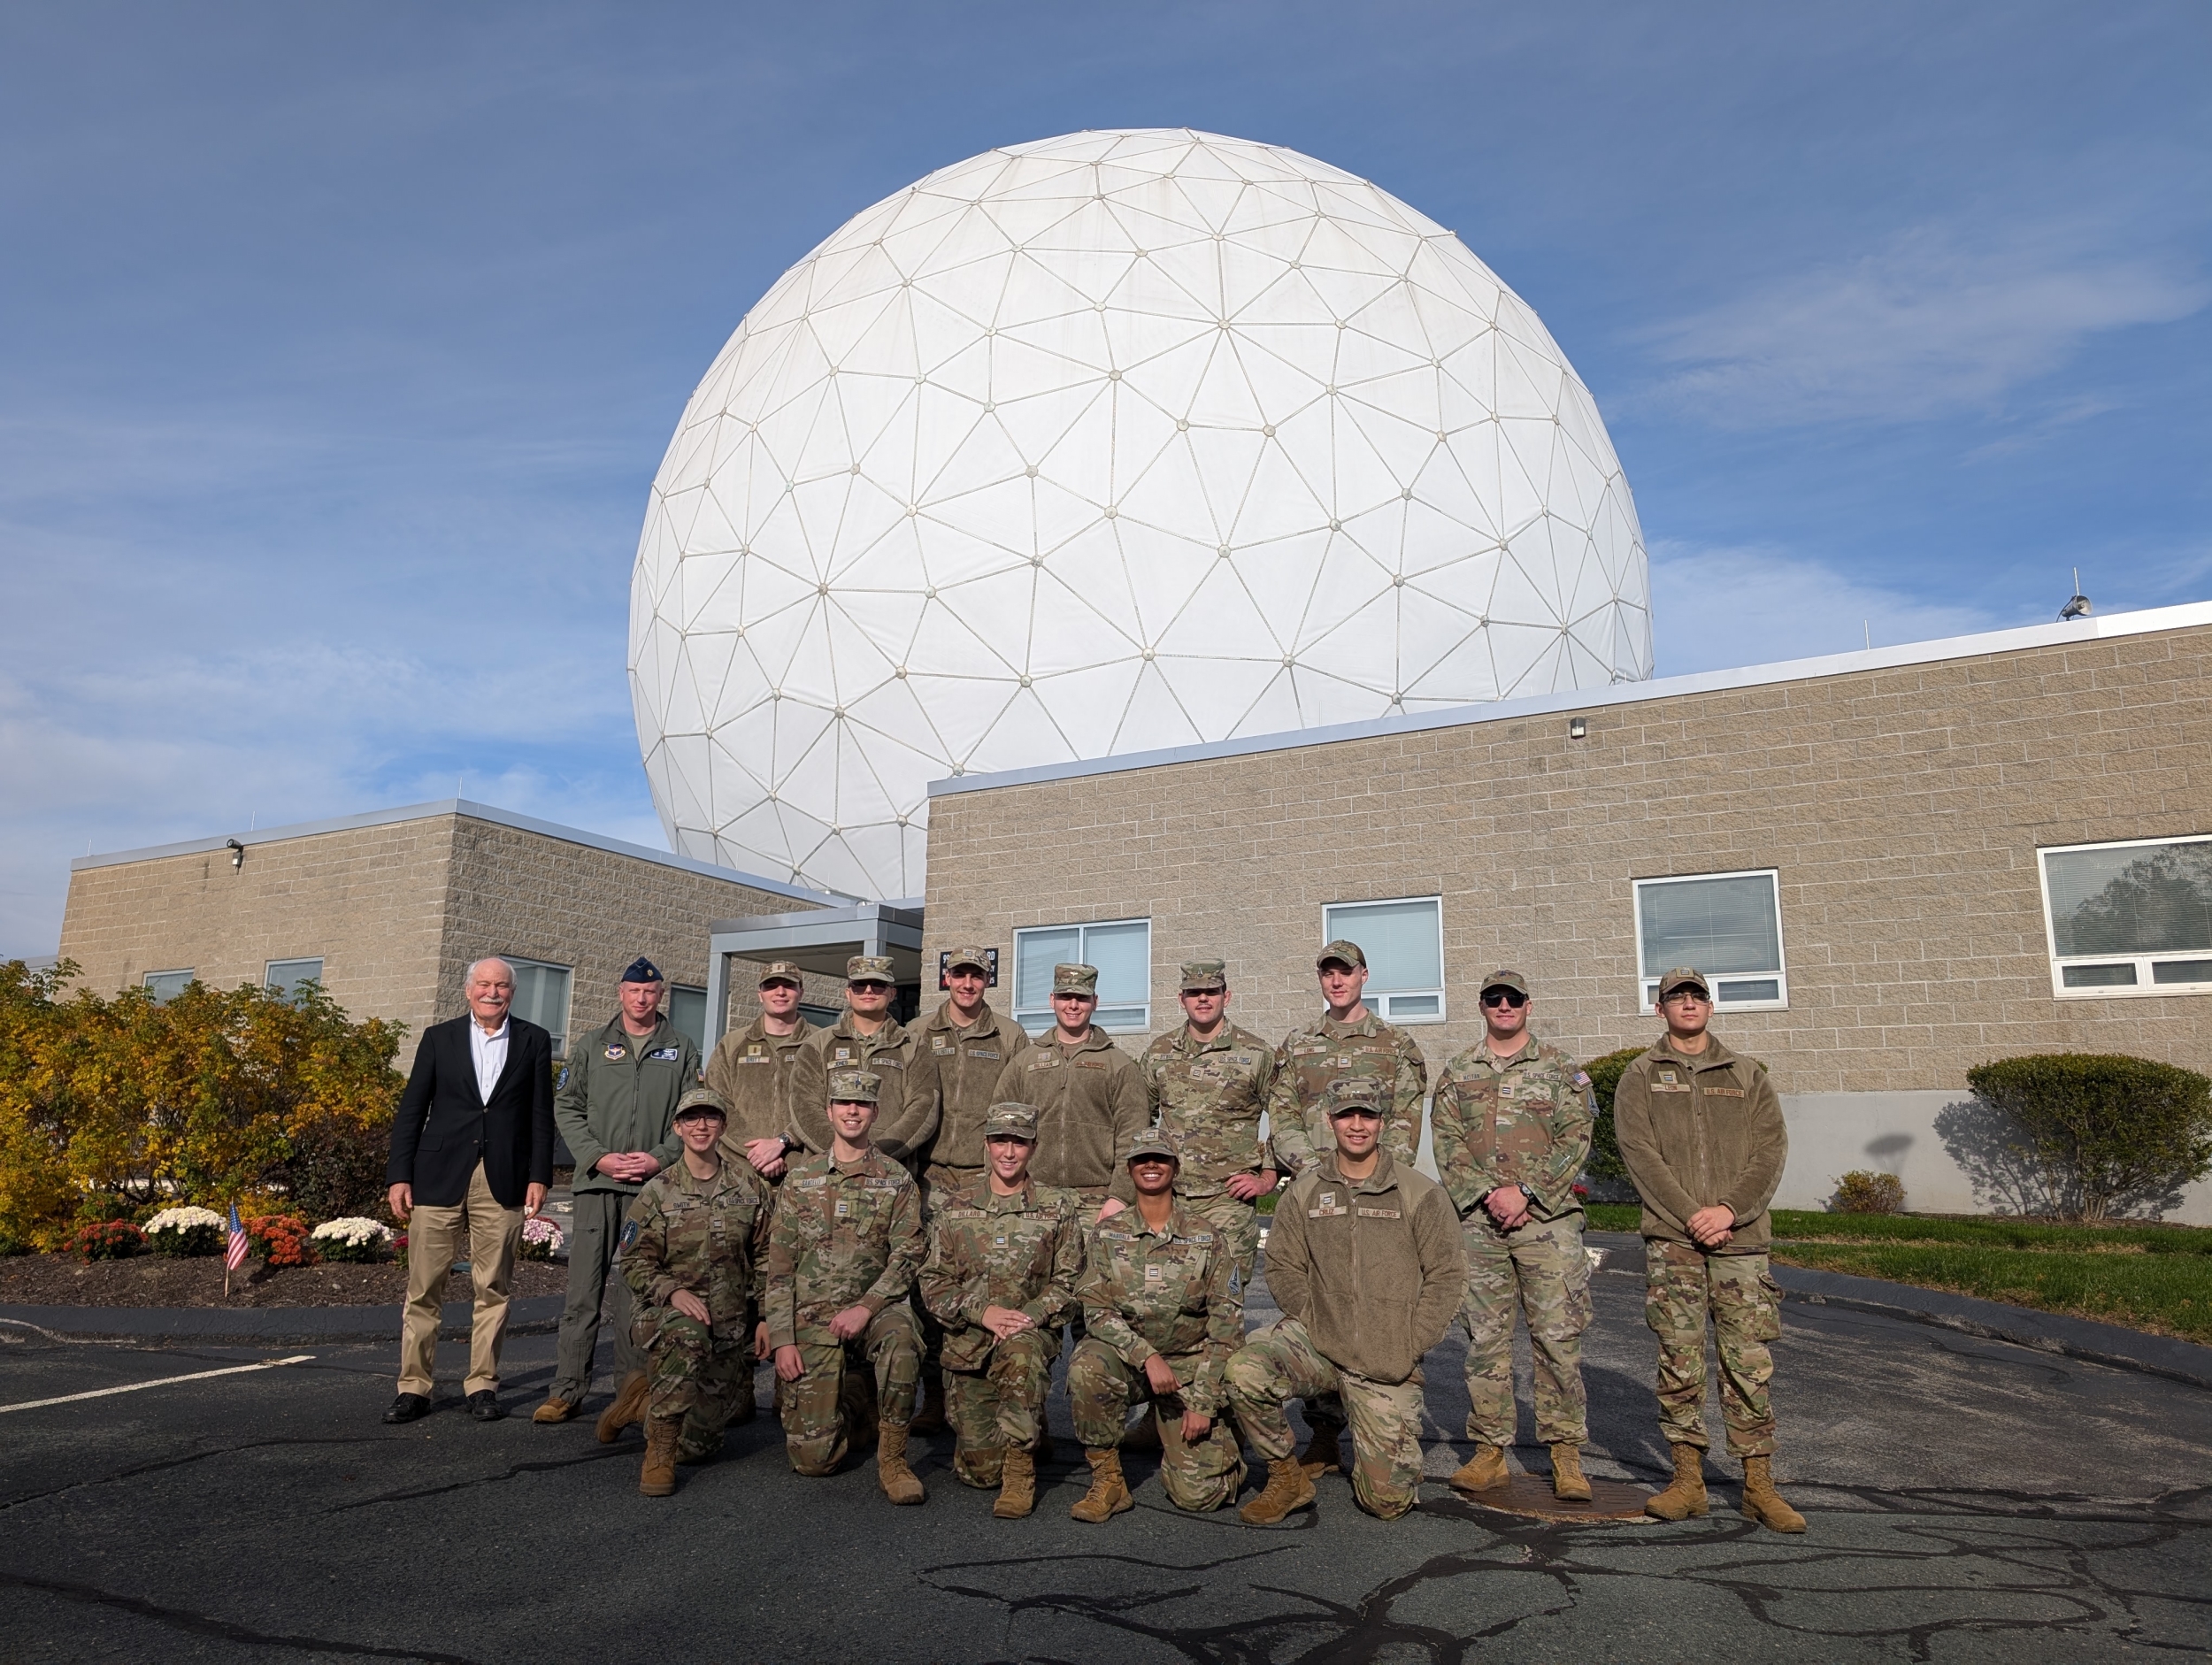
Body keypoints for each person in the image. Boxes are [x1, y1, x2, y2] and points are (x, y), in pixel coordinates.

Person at [1613, 967, 1803, 1533]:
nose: (1688, 1004)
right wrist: (1693, 1217)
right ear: (1660, 1007)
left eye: (1696, 996)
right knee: (1679, 1359)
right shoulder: (1640, 1076)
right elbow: (1640, 1155)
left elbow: (1769, 1152)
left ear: (1710, 1006)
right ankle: (1687, 1482)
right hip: (1674, 1243)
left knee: (1748, 1363)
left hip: (1740, 1243)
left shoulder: (1747, 1075)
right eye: (1677, 997)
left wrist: (1728, 1212)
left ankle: (1759, 1486)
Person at [1225, 1078, 1464, 1524]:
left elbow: (1447, 1276)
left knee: (1387, 1502)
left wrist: (1411, 1342)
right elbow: (1282, 1266)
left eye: (1367, 1116)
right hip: (1320, 1341)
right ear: (1330, 1121)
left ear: (1382, 1122)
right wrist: (1315, 1321)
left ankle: (1361, 1424)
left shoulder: (1419, 1192)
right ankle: (1286, 1478)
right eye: (1346, 1116)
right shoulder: (1305, 1191)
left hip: (1387, 1353)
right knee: (1246, 1370)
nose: (1357, 1126)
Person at [1260, 939, 1429, 1476]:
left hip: (1379, 1200)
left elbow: (1405, 1120)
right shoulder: (1298, 1045)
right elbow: (1281, 1116)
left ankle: (1381, 1412)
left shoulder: (1395, 1045)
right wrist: (1314, 1173)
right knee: (1316, 1302)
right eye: (1328, 973)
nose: (1337, 982)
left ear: (1364, 976)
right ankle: (1324, 1432)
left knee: (1377, 1297)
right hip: (1314, 1198)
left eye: (1346, 973)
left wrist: (1373, 1179)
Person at [1428, 970, 1597, 1501]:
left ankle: (1566, 1456)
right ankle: (1490, 1451)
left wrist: (1525, 1191)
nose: (1504, 1006)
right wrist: (1487, 1195)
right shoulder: (1458, 1070)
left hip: (1547, 1222)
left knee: (1557, 1338)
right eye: (1494, 999)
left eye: (1514, 999)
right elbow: (1447, 1139)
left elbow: (1577, 1137)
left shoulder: (1561, 1069)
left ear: (1528, 1004)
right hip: (1479, 1224)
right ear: (1481, 1006)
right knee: (1485, 1341)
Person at [382, 956, 555, 1424]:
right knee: (424, 1290)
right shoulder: (440, 1038)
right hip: (438, 1176)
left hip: (504, 1178)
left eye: (501, 986)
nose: (492, 992)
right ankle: (414, 1388)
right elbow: (412, 1109)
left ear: (511, 993)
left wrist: (540, 1175)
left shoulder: (535, 1041)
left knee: (493, 1288)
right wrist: (400, 1174)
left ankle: (482, 1384)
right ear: (468, 990)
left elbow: (541, 1116)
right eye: (484, 984)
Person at [538, 956, 701, 1431]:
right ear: (620, 993)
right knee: (583, 1293)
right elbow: (565, 1107)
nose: (642, 999)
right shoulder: (593, 1045)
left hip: (651, 1191)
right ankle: (566, 1390)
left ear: (660, 995)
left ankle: (632, 1394)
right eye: (633, 991)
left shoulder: (681, 1048)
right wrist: (596, 1156)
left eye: (650, 992)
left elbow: (691, 1116)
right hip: (597, 1184)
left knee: (638, 1294)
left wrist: (660, 1157)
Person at [763, 1070, 928, 1505]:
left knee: (902, 1342)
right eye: (843, 1103)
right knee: (814, 1460)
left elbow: (908, 1254)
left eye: (861, 1104)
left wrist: (868, 1306)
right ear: (829, 1112)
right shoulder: (802, 1180)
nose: (852, 1111)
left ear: (875, 1112)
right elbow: (780, 1266)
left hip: (877, 1307)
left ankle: (892, 1459)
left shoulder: (895, 1179)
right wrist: (782, 1339)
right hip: (813, 1313)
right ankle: (853, 1399)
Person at [1065, 1132, 1247, 1521]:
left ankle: (1220, 1439)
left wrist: (1203, 1403)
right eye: (1143, 1159)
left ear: (1175, 1169)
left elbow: (1227, 1327)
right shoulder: (1106, 1234)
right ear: (1130, 1169)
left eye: (1161, 1159)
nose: (1152, 1165)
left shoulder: (1208, 1238)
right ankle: (1109, 1480)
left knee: (1200, 1497)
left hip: (1189, 1370)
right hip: (1132, 1363)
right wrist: (1145, 1356)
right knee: (1087, 1364)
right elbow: (1095, 1311)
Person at [917, 1102, 1085, 1519]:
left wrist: (1028, 1315)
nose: (1009, 1152)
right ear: (986, 1145)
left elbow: (1071, 1281)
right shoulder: (955, 1206)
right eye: (1000, 1141)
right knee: (978, 1472)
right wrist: (983, 1312)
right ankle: (1031, 1427)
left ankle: (1020, 1472)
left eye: (1020, 1143)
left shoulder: (1057, 1207)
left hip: (1027, 1334)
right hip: (969, 1341)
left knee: (1021, 1354)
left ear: (1034, 1147)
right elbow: (932, 1282)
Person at [619, 1086, 773, 1497]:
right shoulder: (658, 1191)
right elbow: (633, 1262)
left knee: (702, 1445)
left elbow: (766, 1259)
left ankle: (642, 1405)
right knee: (686, 1333)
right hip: (666, 1317)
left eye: (710, 1118)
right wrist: (671, 1292)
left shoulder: (749, 1188)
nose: (701, 1126)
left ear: (723, 1126)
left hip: (727, 1327)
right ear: (677, 1127)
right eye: (691, 1118)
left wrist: (764, 1319)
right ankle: (659, 1452)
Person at [910, 945, 1032, 1433]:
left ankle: (1008, 1398)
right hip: (932, 1177)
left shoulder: (1009, 1034)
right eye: (959, 975)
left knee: (1000, 1284)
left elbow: (1023, 1105)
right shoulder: (918, 1032)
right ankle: (936, 1397)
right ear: (946, 978)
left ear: (987, 981)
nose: (967, 984)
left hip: (988, 1179)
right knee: (932, 1289)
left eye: (976, 977)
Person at [1139, 957, 1279, 1286]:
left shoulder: (1255, 1053)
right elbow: (1140, 1119)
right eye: (1194, 992)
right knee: (1172, 1301)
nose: (1203, 998)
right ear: (1181, 999)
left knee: (1225, 1303)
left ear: (1225, 997)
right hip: (1170, 1200)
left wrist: (1269, 1176)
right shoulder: (1159, 1053)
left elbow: (1286, 1119)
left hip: (1228, 1202)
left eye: (1211, 991)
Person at [990, 963, 1148, 1219]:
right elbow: (997, 1130)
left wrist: (1120, 1196)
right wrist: (999, 1191)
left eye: (1082, 998)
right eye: (1065, 996)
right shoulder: (1024, 1062)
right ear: (1052, 1000)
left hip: (1097, 1203)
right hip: (1032, 1197)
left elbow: (1134, 1134)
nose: (1073, 1005)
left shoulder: (1118, 1064)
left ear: (1095, 1002)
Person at [789, 955, 940, 1170]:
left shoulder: (913, 1046)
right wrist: (842, 1154)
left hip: (890, 1173)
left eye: (878, 984)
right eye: (859, 985)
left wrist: (876, 1155)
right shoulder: (818, 1045)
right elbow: (804, 1106)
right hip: (825, 1173)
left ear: (892, 993)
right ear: (848, 993)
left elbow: (923, 1107)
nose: (869, 990)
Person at [702, 959, 822, 1183]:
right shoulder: (732, 1044)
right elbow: (717, 1102)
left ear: (801, 992)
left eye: (788, 985)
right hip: (739, 1171)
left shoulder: (821, 1043)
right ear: (760, 994)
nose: (780, 992)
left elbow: (825, 1104)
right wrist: (759, 1153)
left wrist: (783, 1142)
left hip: (803, 1171)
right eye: (771, 986)